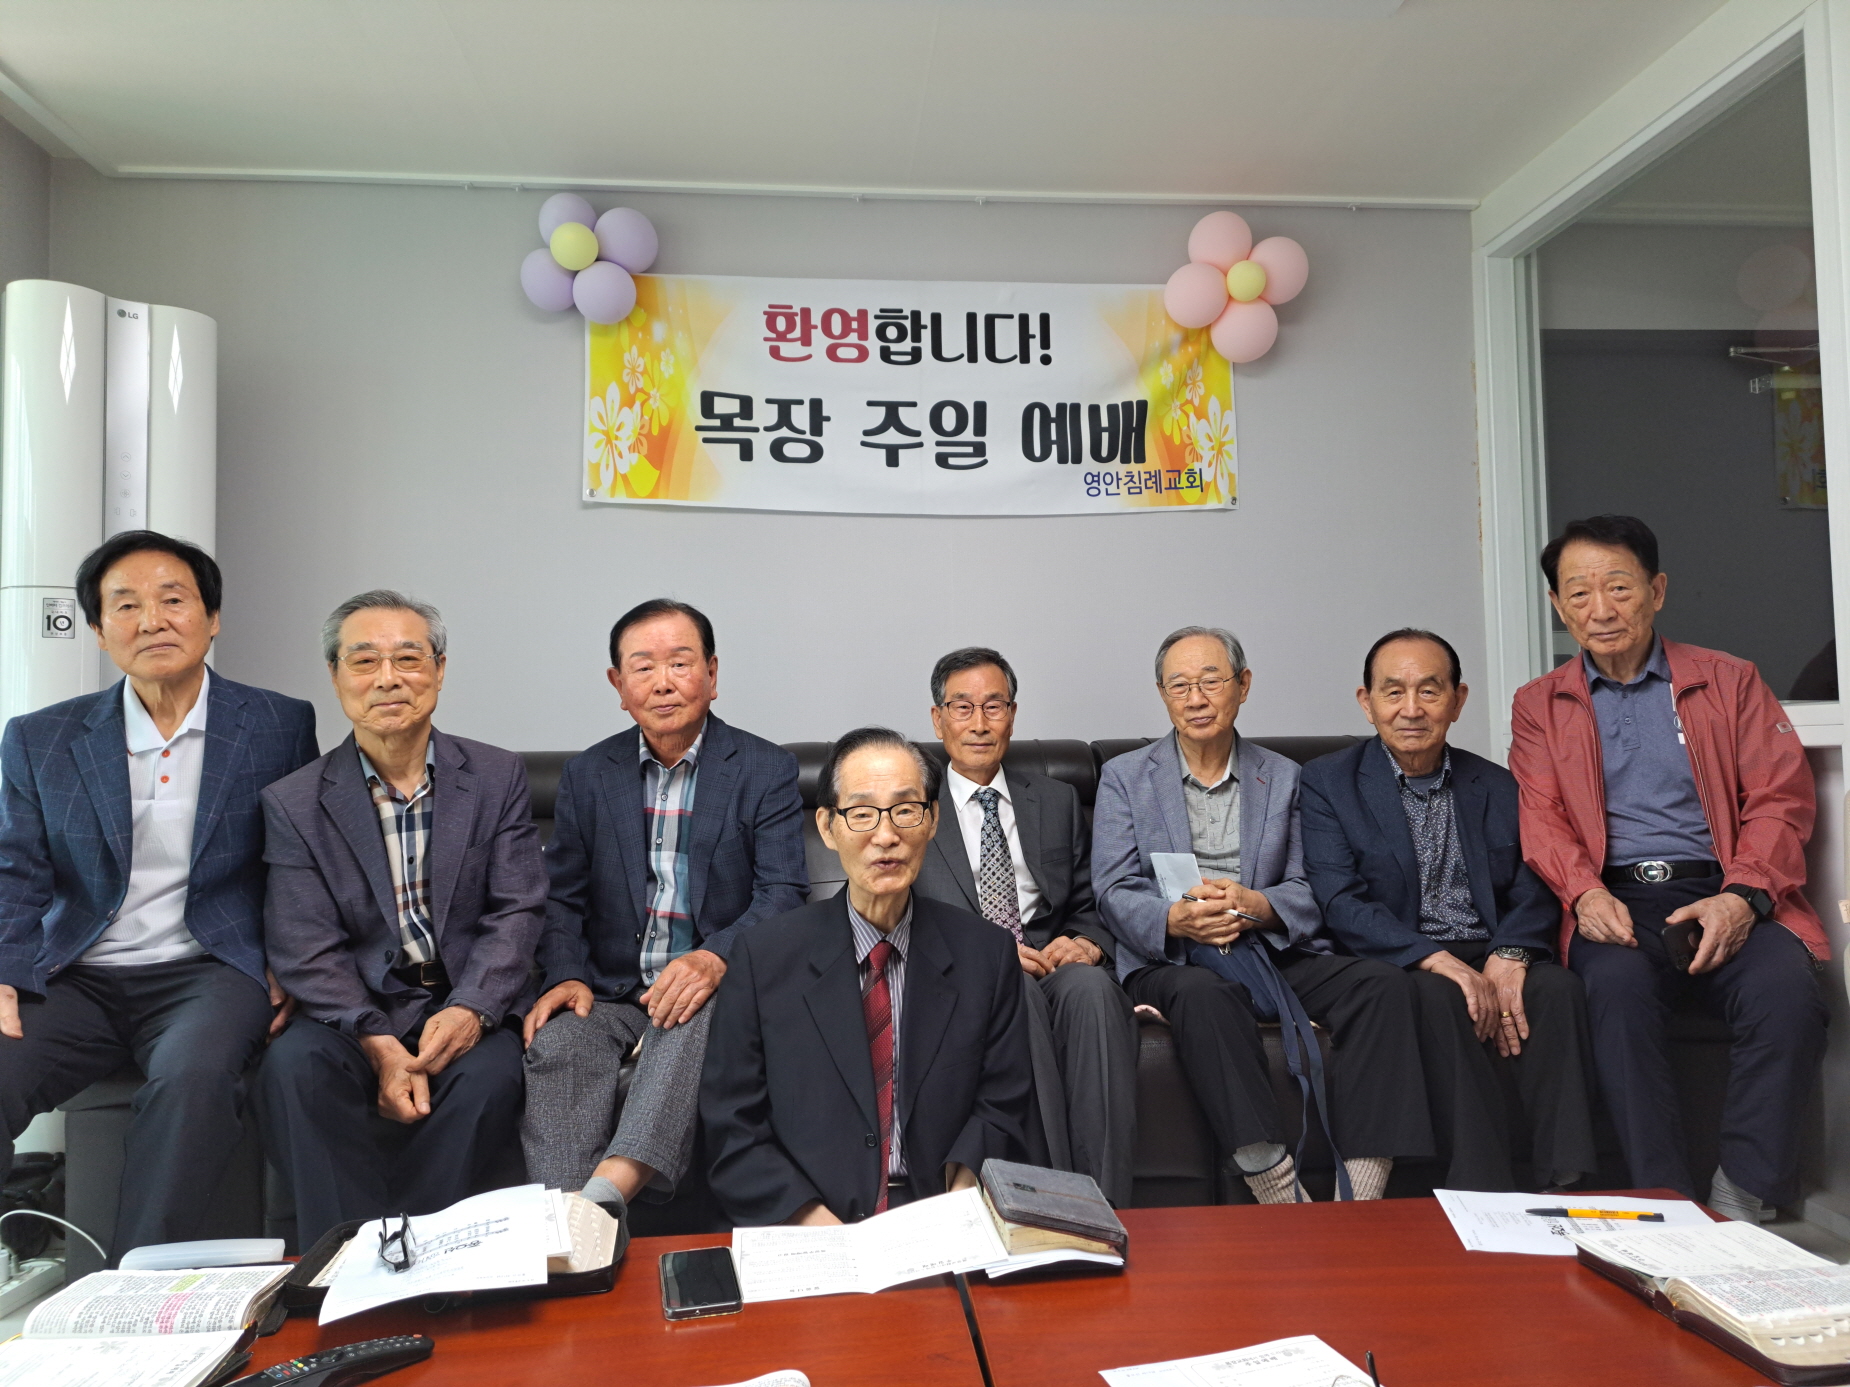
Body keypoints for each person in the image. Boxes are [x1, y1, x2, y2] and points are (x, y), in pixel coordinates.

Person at [0, 531, 315, 1263]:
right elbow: (15, 868)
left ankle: (131, 1288)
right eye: (126, 605)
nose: (152, 620)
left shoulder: (277, 723)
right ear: (98, 629)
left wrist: (293, 961)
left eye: (173, 599)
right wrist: (6, 972)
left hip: (210, 968)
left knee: (193, 1079)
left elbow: (298, 857)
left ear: (212, 617)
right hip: (76, 974)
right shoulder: (40, 738)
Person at [1509, 515, 1828, 1222]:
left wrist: (1742, 897)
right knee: (1614, 993)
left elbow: (1780, 799)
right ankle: (1665, 1202)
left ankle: (1743, 1192)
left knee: (1787, 992)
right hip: (1614, 899)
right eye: (1579, 593)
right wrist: (1583, 892)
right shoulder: (1539, 704)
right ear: (1558, 605)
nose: (1601, 608)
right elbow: (1542, 816)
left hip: (1722, 886)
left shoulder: (1728, 680)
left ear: (1656, 591)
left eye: (1619, 587)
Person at [1093, 626, 1431, 1203]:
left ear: (1243, 685)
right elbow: (1114, 887)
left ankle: (1362, 1191)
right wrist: (1175, 919)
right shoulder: (1126, 777)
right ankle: (1275, 1183)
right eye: (1180, 686)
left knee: (1383, 986)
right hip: (1176, 958)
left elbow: (1309, 882)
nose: (1196, 699)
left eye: (1211, 681)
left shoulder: (1286, 776)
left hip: (1270, 948)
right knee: (1205, 998)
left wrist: (1258, 905)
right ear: (1163, 694)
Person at [256, 591, 545, 1249]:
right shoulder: (294, 801)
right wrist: (378, 1042)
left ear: (439, 670)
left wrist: (471, 1009)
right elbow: (304, 943)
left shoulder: (495, 774)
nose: (388, 678)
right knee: (294, 1069)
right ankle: (346, 1253)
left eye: (408, 659)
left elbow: (518, 908)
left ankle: (415, 1255)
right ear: (336, 677)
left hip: (464, 996)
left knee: (491, 1080)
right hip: (355, 1010)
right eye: (365, 661)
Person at [523, 600, 806, 1218]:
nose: (663, 682)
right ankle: (561, 1224)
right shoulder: (588, 775)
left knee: (690, 1014)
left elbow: (783, 892)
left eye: (680, 663)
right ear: (618, 685)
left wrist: (713, 958)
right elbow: (561, 897)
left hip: (712, 985)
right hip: (612, 990)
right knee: (561, 1042)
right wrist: (566, 974)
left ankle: (605, 1201)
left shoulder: (765, 769)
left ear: (711, 673)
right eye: (643, 667)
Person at [1300, 628, 1597, 1192]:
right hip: (1403, 956)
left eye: (1429, 691)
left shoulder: (1498, 784)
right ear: (1366, 702)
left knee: (1557, 990)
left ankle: (1566, 1180)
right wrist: (1435, 959)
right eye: (1393, 692)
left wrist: (1511, 954)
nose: (1411, 709)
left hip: (1490, 945)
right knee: (1438, 997)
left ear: (1458, 701)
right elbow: (1339, 899)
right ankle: (1482, 1187)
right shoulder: (1328, 783)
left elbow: (1536, 882)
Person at [702, 726, 1030, 1225]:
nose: (886, 835)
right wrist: (815, 1224)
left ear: (933, 820)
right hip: (813, 1223)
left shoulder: (986, 953)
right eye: (861, 813)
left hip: (940, 1215)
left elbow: (1003, 1103)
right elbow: (732, 1127)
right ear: (827, 827)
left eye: (905, 809)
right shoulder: (762, 958)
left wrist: (959, 1199)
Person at [913, 647, 1136, 1205]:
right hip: (961, 968)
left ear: (1012, 715)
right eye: (962, 707)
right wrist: (988, 953)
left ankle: (1108, 1203)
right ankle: (1058, 1202)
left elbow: (1089, 900)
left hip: (1049, 959)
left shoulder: (1056, 800)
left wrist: (1085, 942)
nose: (980, 723)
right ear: (938, 719)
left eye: (994, 706)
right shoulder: (914, 806)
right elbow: (900, 912)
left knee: (1092, 991)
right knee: (1015, 991)